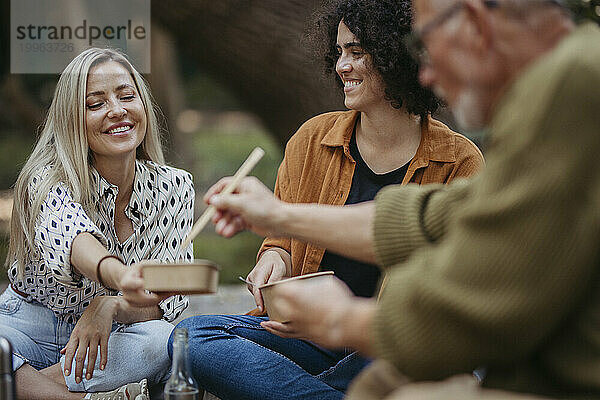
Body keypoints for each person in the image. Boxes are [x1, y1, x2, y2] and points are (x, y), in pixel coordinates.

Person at [201, 0, 600, 398]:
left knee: (398, 382)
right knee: (196, 337)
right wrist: (277, 218)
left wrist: (342, 319)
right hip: (337, 345)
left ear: (476, 25)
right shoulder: (560, 82)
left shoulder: (570, 82)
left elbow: (472, 301)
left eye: (423, 46)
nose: (423, 72)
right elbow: (431, 217)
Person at [171, 1, 483, 399]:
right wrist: (275, 260)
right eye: (338, 53)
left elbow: (458, 295)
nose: (341, 66)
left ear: (395, 56)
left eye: (356, 52)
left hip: (385, 344)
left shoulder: (459, 162)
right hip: (305, 338)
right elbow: (280, 241)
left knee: (430, 358)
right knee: (193, 336)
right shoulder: (311, 138)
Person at [0, 48, 194, 400]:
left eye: (126, 96)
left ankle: (19, 386)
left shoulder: (175, 187)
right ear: (73, 118)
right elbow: (76, 241)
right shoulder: (44, 181)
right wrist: (121, 278)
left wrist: (112, 304)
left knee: (162, 342)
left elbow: (166, 301)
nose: (117, 110)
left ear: (143, 105)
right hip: (26, 325)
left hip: (109, 338)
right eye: (95, 104)